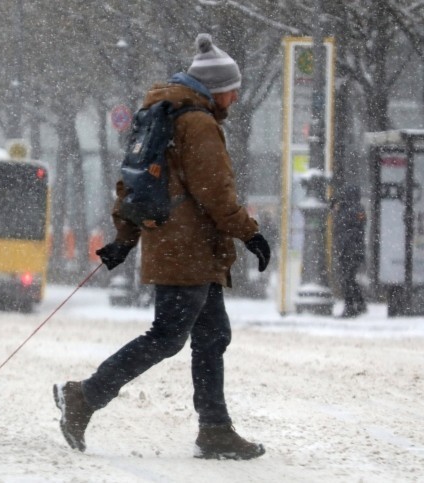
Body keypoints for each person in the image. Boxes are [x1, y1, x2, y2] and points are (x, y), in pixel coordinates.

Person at [53, 33, 271, 460]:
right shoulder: (198, 123)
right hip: (188, 247)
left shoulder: (160, 114)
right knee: (168, 336)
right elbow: (215, 191)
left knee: (211, 336)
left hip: (180, 245)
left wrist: (125, 237)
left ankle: (215, 430)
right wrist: (250, 232)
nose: (237, 96)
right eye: (234, 89)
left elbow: (132, 182)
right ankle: (84, 397)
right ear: (219, 88)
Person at [332, 184, 367, 318]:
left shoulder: (349, 209)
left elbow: (352, 229)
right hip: (350, 250)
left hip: (349, 250)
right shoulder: (353, 209)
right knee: (349, 279)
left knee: (347, 279)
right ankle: (358, 304)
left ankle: (351, 307)